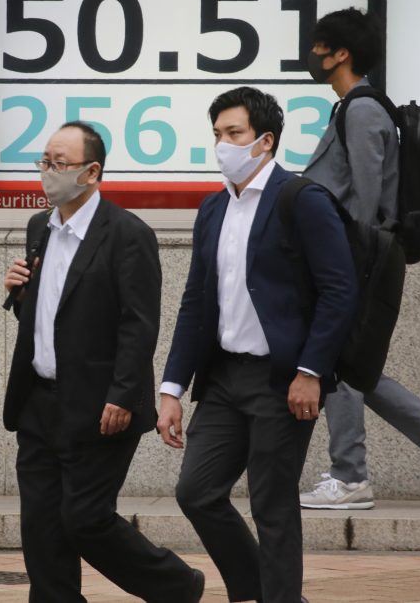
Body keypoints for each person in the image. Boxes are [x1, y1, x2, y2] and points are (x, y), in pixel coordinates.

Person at [157, 87, 358, 603]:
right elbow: (195, 301)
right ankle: (261, 590)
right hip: (223, 378)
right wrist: (172, 386)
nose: (223, 144)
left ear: (265, 141)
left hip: (283, 380)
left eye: (234, 134)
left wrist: (311, 371)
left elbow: (340, 290)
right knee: (196, 493)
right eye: (218, 135)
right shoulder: (213, 209)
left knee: (272, 505)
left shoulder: (301, 200)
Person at [3, 121, 204, 603]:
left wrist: (122, 393)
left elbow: (140, 324)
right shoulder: (40, 228)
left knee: (85, 518)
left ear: (92, 172)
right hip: (38, 400)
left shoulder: (127, 234)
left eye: (59, 163)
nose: (47, 173)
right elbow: (52, 310)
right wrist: (18, 293)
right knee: (42, 525)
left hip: (99, 406)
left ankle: (176, 586)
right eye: (43, 162)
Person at [299, 8, 420, 509]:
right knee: (348, 363)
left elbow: (366, 198)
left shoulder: (361, 111)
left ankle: (351, 476)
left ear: (342, 54)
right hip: (351, 256)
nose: (312, 54)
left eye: (320, 46)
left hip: (353, 257)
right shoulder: (354, 108)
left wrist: (340, 268)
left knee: (336, 361)